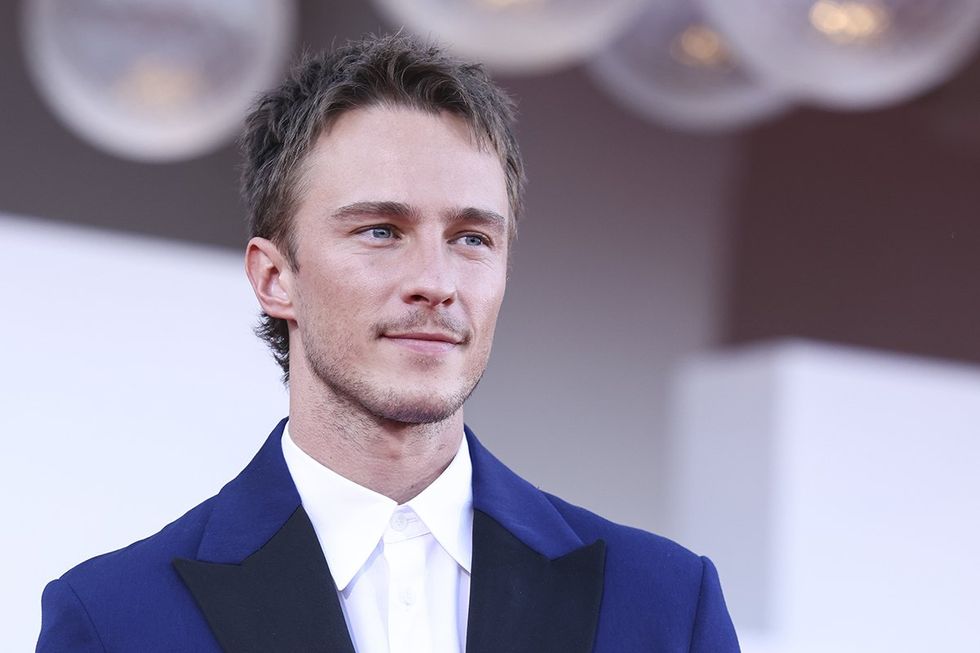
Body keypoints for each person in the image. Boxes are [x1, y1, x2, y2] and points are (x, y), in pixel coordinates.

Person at [36, 34, 740, 653]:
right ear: (276, 277)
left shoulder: (667, 605)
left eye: (471, 238)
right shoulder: (114, 621)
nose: (436, 282)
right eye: (381, 230)